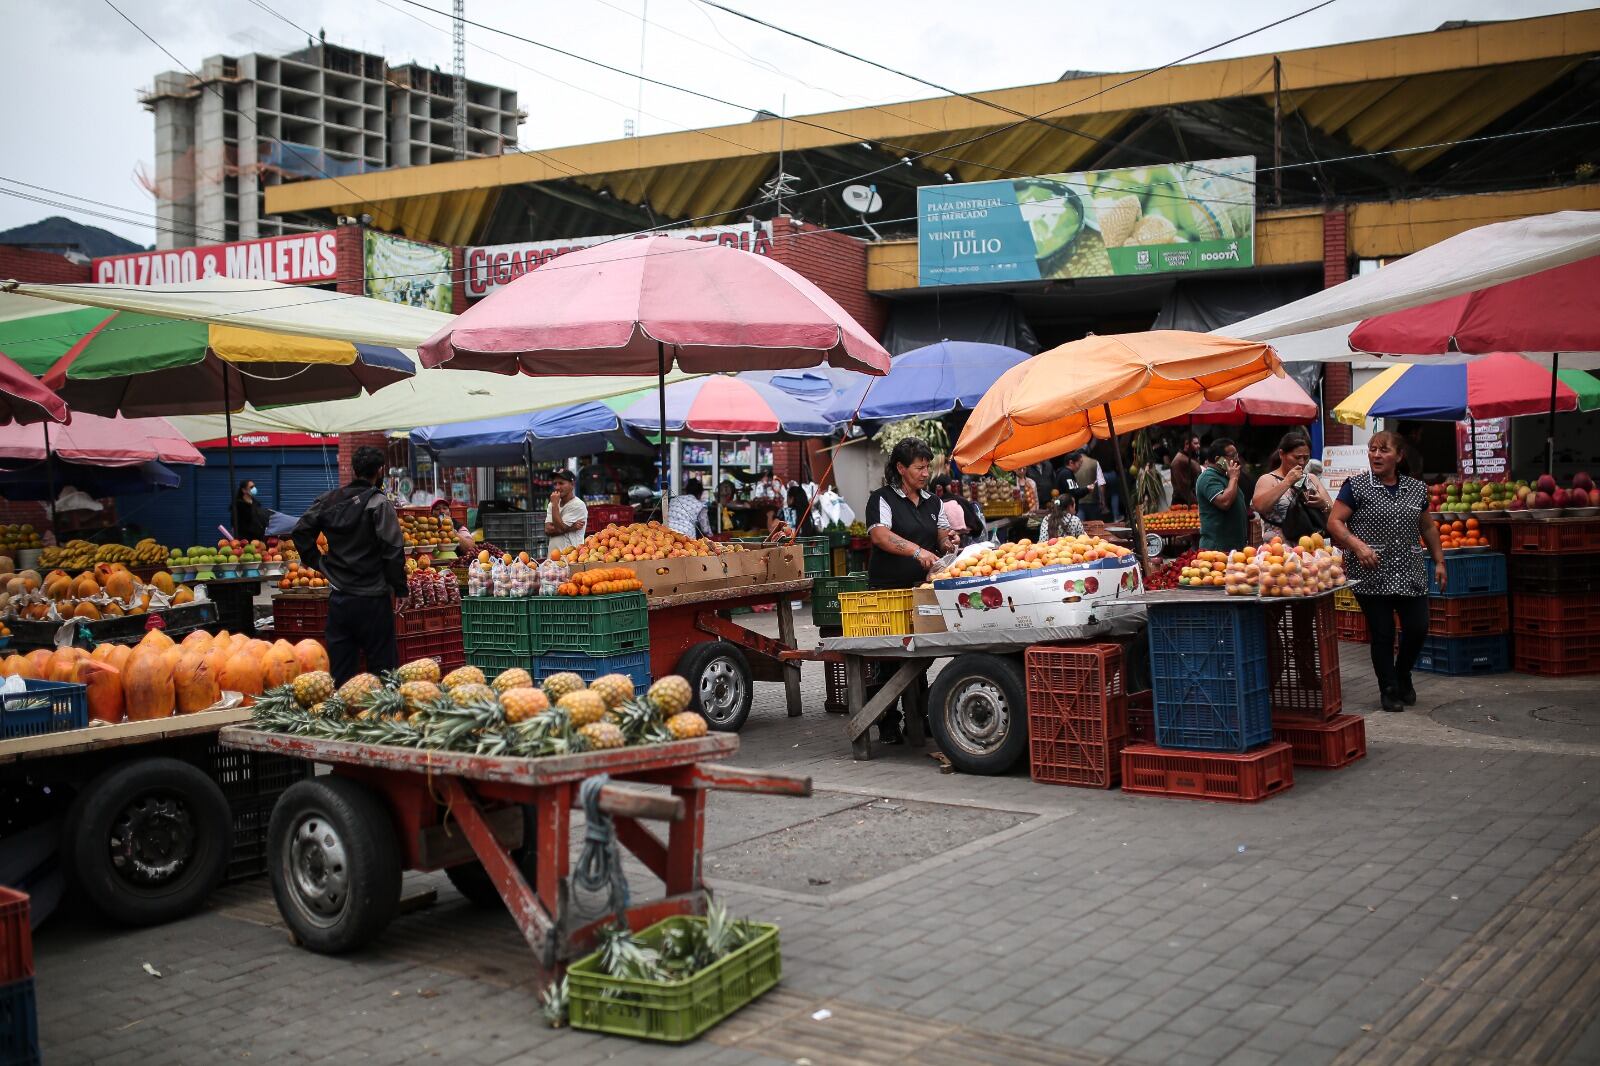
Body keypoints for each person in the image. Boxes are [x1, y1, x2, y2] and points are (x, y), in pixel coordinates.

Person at [1327, 431, 1448, 713]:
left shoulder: (1416, 489)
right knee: (1382, 633)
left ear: (1399, 456)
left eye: (1383, 450)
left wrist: (1440, 561)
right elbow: (1334, 522)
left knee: (1418, 628)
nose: (1376, 455)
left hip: (1410, 570)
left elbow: (1427, 527)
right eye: (1372, 450)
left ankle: (1403, 673)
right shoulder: (1355, 487)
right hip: (1372, 573)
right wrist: (1357, 546)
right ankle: (1389, 688)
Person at [866, 438, 957, 744]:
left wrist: (948, 543)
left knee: (922, 655)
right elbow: (880, 535)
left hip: (923, 592)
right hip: (888, 592)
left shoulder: (935, 502)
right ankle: (887, 721)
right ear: (901, 468)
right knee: (890, 660)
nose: (924, 472)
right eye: (919, 467)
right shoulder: (882, 499)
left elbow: (942, 536)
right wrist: (917, 552)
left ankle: (919, 716)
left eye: (927, 466)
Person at [292, 446, 407, 684]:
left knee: (341, 673)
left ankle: (343, 716)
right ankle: (381, 718)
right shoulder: (378, 503)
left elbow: (300, 531)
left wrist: (319, 562)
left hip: (340, 599)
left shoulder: (328, 500)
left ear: (353, 469)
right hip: (373, 599)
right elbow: (393, 550)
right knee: (383, 671)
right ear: (380, 470)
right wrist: (400, 588)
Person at [1251, 431, 1334, 542]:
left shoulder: (1312, 479)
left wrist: (1323, 504)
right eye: (1297, 457)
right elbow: (1260, 506)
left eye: (1306, 457)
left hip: (1311, 546)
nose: (1302, 462)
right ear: (1281, 454)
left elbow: (1334, 514)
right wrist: (1287, 482)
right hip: (1279, 548)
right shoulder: (1267, 479)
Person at [1196, 438, 1248, 552]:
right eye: (1232, 456)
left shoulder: (1225, 476)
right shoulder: (1208, 477)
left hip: (1233, 547)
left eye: (1237, 455)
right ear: (1218, 460)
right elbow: (1225, 502)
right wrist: (1234, 478)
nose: (1237, 459)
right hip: (1217, 548)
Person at [544, 469, 588, 554]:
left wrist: (555, 506)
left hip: (571, 558)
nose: (557, 487)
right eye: (555, 484)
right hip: (553, 558)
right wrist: (571, 528)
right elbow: (548, 530)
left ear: (572, 484)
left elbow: (560, 529)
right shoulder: (553, 503)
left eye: (561, 483)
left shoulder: (578, 505)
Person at [1170, 435, 1202, 507]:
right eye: (1196, 443)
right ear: (1187, 444)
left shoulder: (1190, 457)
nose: (1199, 446)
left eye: (1198, 443)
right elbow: (1183, 487)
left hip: (1191, 498)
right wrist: (1195, 502)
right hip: (1183, 502)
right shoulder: (1179, 460)